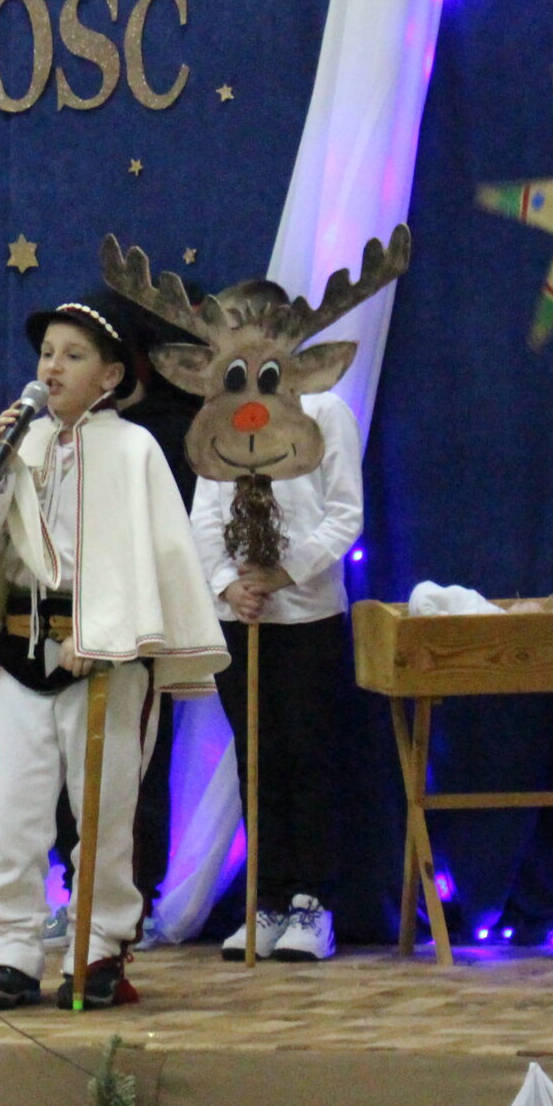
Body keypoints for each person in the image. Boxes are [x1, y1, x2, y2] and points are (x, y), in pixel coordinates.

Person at [0, 301, 229, 1010]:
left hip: (104, 660)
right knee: (11, 808)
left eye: (72, 355)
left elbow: (148, 558)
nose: (52, 367)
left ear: (110, 375)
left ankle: (97, 941)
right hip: (24, 651)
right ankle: (12, 942)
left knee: (104, 806)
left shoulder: (134, 450)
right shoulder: (22, 442)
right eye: (47, 352)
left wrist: (99, 633)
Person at [188, 277, 363, 962]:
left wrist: (285, 573)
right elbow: (205, 514)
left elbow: (344, 514)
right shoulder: (221, 413)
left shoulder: (324, 409)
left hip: (307, 617)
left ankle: (311, 902)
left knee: (307, 756)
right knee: (257, 760)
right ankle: (265, 896)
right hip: (243, 617)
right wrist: (230, 584)